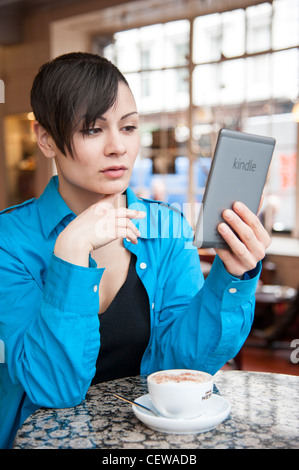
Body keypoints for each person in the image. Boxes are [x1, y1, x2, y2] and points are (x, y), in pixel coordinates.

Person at [0, 52, 270, 449]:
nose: (118, 147)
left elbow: (183, 366)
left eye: (128, 128)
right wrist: (72, 250)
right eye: (92, 129)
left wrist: (230, 279)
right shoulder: (10, 239)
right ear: (45, 138)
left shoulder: (168, 229)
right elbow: (52, 387)